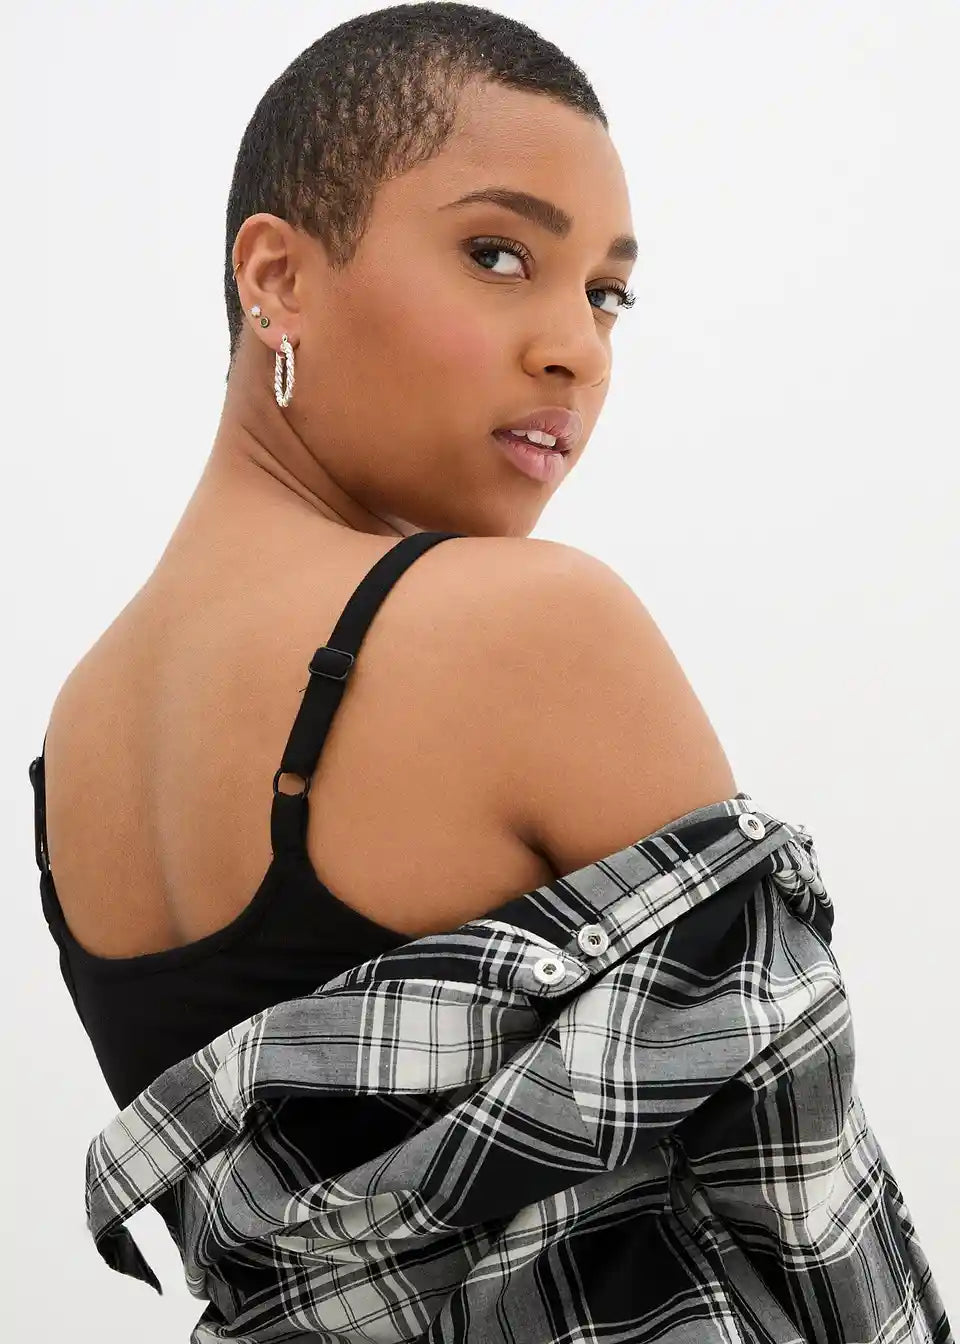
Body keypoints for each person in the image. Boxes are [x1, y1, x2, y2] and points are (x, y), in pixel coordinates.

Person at [31, 5, 954, 1341]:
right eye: (499, 254)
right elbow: (820, 1226)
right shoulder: (530, 625)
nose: (576, 346)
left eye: (605, 293)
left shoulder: (75, 746)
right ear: (277, 276)